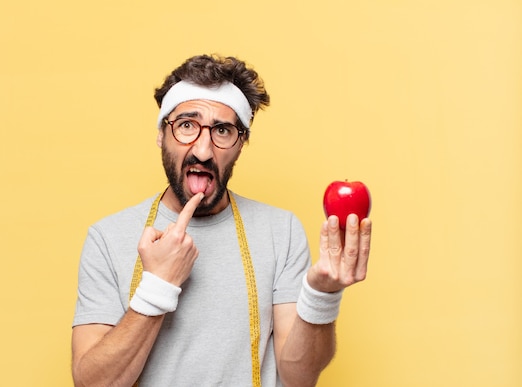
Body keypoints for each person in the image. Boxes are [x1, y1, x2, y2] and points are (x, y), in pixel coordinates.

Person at [71, 54, 372, 387]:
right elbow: (93, 384)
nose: (202, 150)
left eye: (223, 130)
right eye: (186, 125)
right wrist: (157, 287)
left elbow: (299, 378)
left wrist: (321, 296)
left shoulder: (280, 231)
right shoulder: (108, 237)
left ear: (241, 144)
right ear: (161, 134)